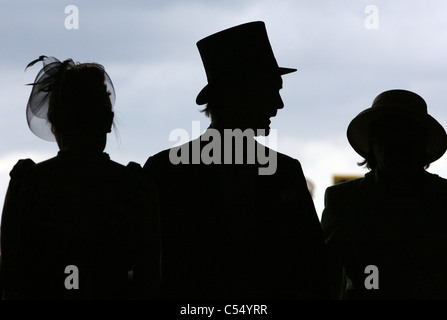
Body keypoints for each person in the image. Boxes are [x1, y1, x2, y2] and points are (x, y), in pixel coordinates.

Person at [144, 21, 329, 299]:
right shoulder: (285, 171)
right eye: (270, 90)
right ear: (240, 93)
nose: (278, 104)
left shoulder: (165, 169)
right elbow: (313, 269)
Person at [0, 56, 160, 299]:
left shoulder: (26, 183)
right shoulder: (135, 186)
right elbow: (148, 280)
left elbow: (10, 278)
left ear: (55, 123)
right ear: (107, 121)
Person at [321, 89, 447, 299]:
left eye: (406, 135)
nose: (397, 144)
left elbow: (325, 275)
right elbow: (325, 275)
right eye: (389, 134)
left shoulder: (344, 199)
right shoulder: (344, 200)